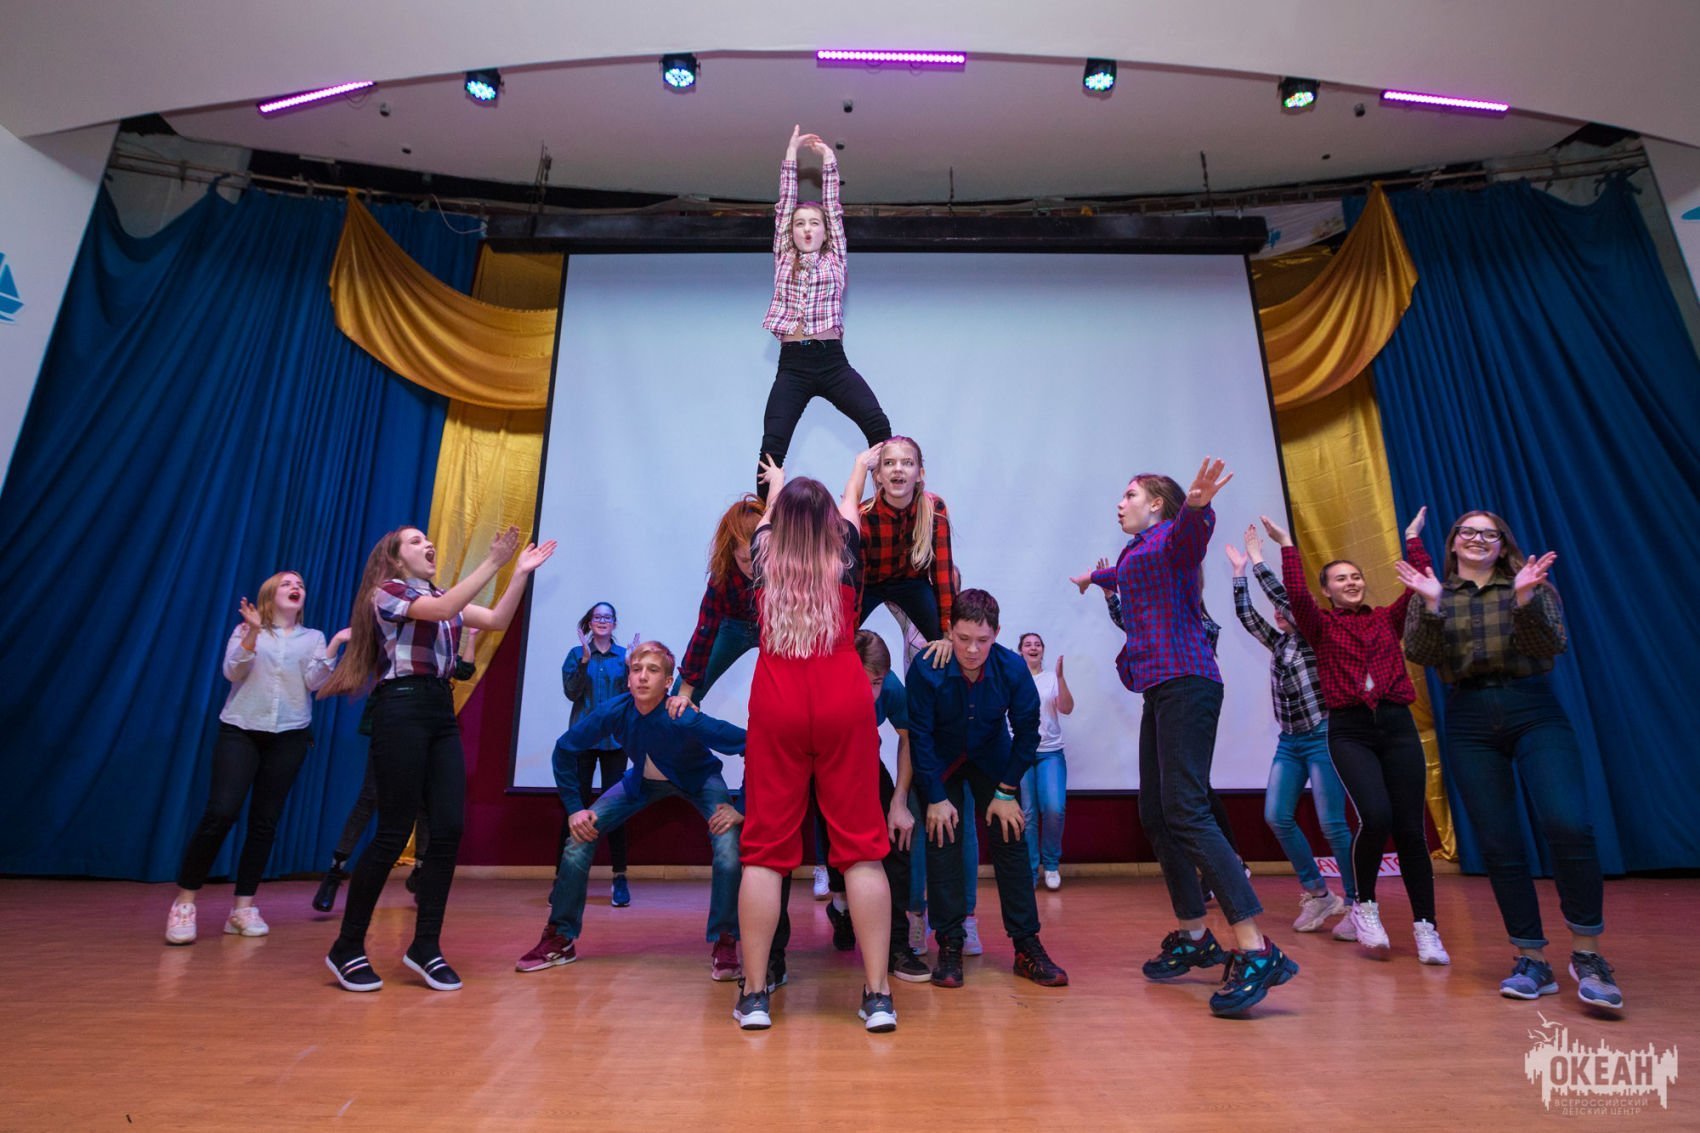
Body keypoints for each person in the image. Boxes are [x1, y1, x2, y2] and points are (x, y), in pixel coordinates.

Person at [1072, 460, 1297, 1017]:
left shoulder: (1173, 539)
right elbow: (1123, 575)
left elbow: (1192, 537)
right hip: (1161, 688)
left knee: (1187, 810)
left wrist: (1197, 506)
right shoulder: (1136, 553)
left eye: (1129, 495)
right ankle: (1195, 935)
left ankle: (1256, 948)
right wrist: (1093, 580)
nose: (1119, 503)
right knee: (1156, 813)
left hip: (1189, 683)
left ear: (1156, 506)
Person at [318, 524, 554, 992]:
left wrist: (520, 573)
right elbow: (445, 611)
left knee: (447, 829)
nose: (427, 544)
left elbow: (496, 619)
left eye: (428, 539)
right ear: (394, 558)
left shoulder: (443, 596)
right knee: (393, 832)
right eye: (415, 541)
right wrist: (493, 561)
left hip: (439, 710)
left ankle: (425, 946)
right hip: (400, 708)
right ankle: (346, 946)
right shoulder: (387, 593)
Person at [1399, 511, 1620, 1008]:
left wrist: (1523, 600)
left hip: (1533, 709)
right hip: (1469, 717)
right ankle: (1530, 958)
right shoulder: (1433, 592)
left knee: (1569, 824)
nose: (1477, 539)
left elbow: (1552, 645)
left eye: (1489, 534)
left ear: (1502, 544)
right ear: (1453, 543)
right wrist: (1431, 604)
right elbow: (1422, 656)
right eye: (1468, 532)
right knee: (1499, 842)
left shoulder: (1531, 584)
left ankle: (1588, 955)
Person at [731, 457, 895, 1033]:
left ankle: (755, 997)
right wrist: (859, 468)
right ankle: (878, 997)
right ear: (830, 523)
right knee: (862, 851)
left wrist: (775, 487)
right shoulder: (846, 550)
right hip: (842, 698)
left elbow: (770, 519)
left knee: (764, 853)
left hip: (777, 699)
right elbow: (850, 505)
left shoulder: (762, 553)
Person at [1261, 508, 1449, 965]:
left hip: (1397, 726)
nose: (1351, 582)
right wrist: (1286, 545)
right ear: (1327, 590)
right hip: (1350, 731)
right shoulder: (1321, 626)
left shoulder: (1386, 619)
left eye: (1356, 576)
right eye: (1341, 578)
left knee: (1410, 828)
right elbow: (1297, 595)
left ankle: (1426, 928)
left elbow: (1422, 585)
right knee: (1376, 815)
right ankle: (1364, 907)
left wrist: (1414, 540)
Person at [515, 642, 748, 979]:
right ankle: (560, 938)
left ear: (668, 682)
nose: (642, 677)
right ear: (628, 679)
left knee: (728, 846)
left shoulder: (684, 716)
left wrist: (743, 807)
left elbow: (752, 743)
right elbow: (564, 749)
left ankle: (725, 939)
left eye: (653, 670)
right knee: (579, 838)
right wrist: (575, 809)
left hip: (698, 781)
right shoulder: (614, 710)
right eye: (637, 670)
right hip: (641, 782)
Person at [166, 572, 346, 944]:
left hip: (290, 735)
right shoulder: (245, 630)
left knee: (265, 822)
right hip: (241, 729)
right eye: (287, 584)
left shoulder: (313, 637)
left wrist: (336, 643)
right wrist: (251, 633)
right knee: (221, 813)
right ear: (270, 594)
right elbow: (232, 671)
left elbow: (314, 683)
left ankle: (243, 909)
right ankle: (184, 903)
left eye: (300, 585)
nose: (296, 588)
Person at [908, 588, 1069, 990]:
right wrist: (935, 797)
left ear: (997, 634)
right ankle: (949, 943)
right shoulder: (926, 668)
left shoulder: (1012, 668)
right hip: (942, 762)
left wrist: (1006, 791)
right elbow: (919, 737)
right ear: (949, 630)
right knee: (942, 839)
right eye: (963, 638)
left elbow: (1028, 733)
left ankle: (1027, 946)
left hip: (993, 761)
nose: (972, 649)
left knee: (1012, 839)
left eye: (982, 640)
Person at [1224, 526, 1357, 936]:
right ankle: (1319, 894)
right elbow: (1249, 618)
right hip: (1290, 741)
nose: (1279, 615)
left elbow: (1283, 598)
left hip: (1322, 736)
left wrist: (1259, 560)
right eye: (1279, 614)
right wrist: (1239, 574)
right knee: (1277, 816)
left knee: (1332, 823)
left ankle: (1358, 903)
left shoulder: (1317, 638)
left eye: (1286, 612)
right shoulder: (1281, 644)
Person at [756, 126, 891, 501]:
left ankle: (886, 502)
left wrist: (829, 161)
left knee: (878, 425)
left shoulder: (835, 257)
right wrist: (790, 156)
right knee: (772, 447)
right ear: (792, 231)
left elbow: (832, 209)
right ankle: (764, 517)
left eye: (813, 223)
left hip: (832, 362)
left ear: (825, 232)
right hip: (793, 365)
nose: (806, 228)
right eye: (800, 224)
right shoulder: (785, 256)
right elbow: (784, 207)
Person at [311, 627, 477, 914]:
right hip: (393, 721)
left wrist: (471, 636)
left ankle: (421, 873)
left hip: (431, 724)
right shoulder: (396, 626)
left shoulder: (441, 640)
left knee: (425, 805)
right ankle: (334, 873)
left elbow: (463, 671)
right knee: (370, 798)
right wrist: (341, 640)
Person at [808, 631, 934, 983]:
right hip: (816, 758)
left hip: (862, 755)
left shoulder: (890, 688)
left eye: (876, 682)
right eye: (863, 681)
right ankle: (840, 909)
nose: (870, 692)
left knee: (896, 836)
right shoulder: (821, 682)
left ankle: (897, 944)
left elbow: (908, 737)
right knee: (831, 838)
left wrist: (899, 801)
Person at [561, 602, 637, 908]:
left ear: (614, 623)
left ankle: (619, 877)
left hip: (616, 742)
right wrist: (584, 661)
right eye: (597, 617)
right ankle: (563, 880)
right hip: (582, 741)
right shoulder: (576, 654)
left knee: (615, 809)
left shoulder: (625, 657)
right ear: (589, 623)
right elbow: (571, 693)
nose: (602, 621)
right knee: (574, 808)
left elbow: (634, 697)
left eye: (608, 617)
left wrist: (631, 666)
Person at [845, 438, 957, 642]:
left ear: (920, 474)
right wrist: (847, 631)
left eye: (907, 463)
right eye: (889, 463)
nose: (898, 469)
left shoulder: (934, 509)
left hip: (911, 582)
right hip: (870, 584)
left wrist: (948, 632)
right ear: (878, 476)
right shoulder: (864, 517)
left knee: (942, 638)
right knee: (843, 636)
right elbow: (855, 582)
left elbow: (942, 573)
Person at [672, 495, 764, 711]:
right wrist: (686, 691)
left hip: (775, 629)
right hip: (734, 627)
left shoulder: (784, 565)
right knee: (679, 696)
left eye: (759, 557)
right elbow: (705, 631)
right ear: (731, 553)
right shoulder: (723, 578)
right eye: (745, 560)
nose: (754, 567)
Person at [1015, 633, 1072, 891]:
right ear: (1021, 651)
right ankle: (1029, 870)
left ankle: (1051, 865)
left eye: (1037, 644)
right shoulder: (1015, 677)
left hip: (1050, 753)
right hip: (1022, 753)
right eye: (1028, 644)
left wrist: (1060, 678)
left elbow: (1066, 708)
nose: (1033, 647)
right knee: (1027, 813)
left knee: (1054, 808)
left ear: (1042, 650)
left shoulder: (1051, 678)